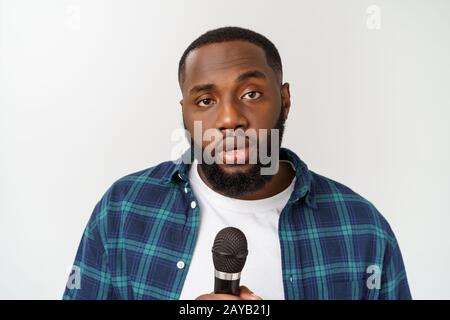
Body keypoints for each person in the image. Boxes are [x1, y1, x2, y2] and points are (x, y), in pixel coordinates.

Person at [63, 26, 411, 300]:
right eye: (205, 100)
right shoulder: (123, 210)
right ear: (184, 113)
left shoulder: (362, 228)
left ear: (284, 100)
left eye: (251, 94)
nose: (229, 118)